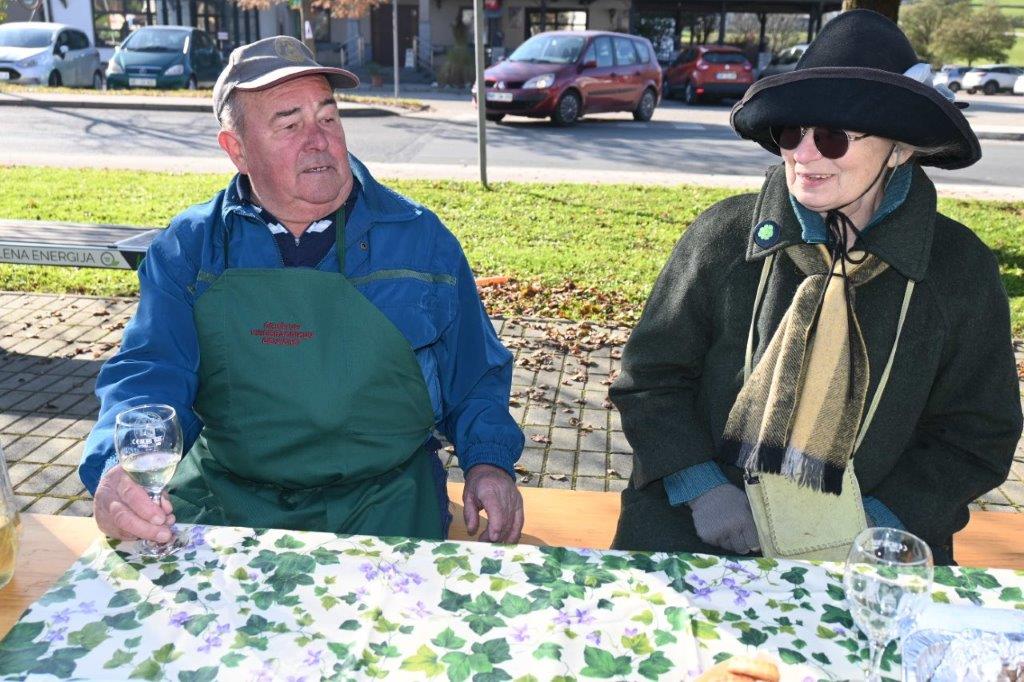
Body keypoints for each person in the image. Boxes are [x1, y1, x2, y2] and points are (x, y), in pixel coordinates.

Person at [609, 10, 1022, 564]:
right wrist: (701, 489)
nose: (803, 155)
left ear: (900, 149)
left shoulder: (957, 269)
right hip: (689, 528)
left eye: (830, 137)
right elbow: (649, 379)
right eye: (791, 132)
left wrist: (876, 525)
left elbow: (978, 433)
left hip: (873, 552)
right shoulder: (723, 238)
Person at [79, 36, 525, 546]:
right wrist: (119, 468)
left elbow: (474, 373)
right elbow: (150, 374)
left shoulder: (420, 240)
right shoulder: (192, 249)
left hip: (386, 501)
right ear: (237, 149)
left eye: (328, 117)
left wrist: (489, 462)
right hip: (229, 498)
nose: (319, 141)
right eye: (289, 124)